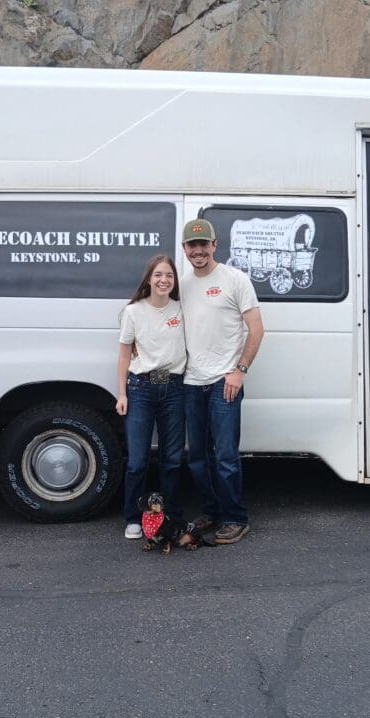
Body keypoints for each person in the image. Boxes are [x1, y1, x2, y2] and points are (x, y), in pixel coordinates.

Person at [179, 218, 264, 545]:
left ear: (215, 245)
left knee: (225, 456)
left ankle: (235, 519)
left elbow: (256, 329)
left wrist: (239, 370)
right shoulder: (182, 285)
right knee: (198, 457)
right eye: (192, 245)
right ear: (185, 249)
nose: (198, 250)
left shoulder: (235, 280)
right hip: (190, 384)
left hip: (223, 383)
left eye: (204, 244)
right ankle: (211, 511)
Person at [115, 255, 187, 539]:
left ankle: (170, 516)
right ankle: (134, 517)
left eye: (169, 275)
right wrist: (122, 394)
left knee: (171, 459)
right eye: (158, 275)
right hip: (141, 389)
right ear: (148, 278)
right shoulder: (133, 312)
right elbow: (123, 356)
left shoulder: (182, 309)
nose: (163, 280)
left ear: (174, 281)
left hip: (175, 390)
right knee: (137, 461)